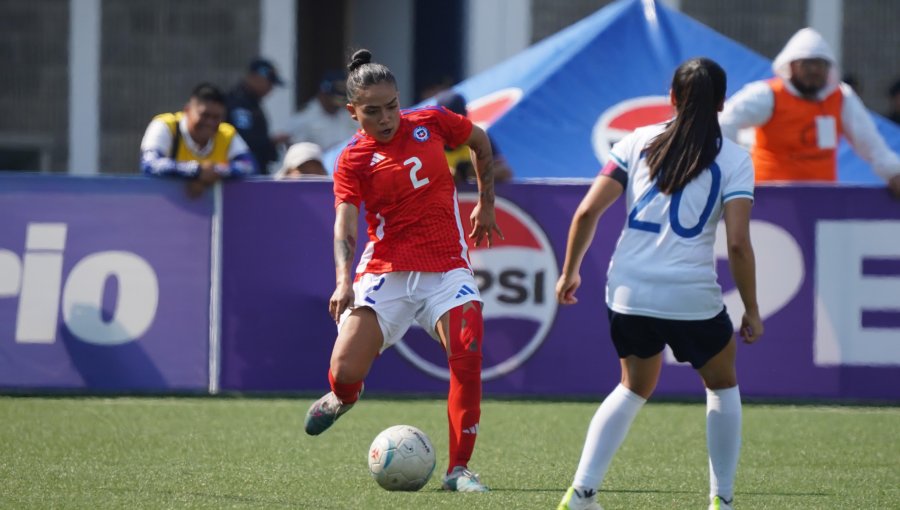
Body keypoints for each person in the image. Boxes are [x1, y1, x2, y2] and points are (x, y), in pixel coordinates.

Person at [554, 58, 763, 510]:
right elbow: (740, 244)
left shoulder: (634, 141)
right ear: (723, 102)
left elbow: (587, 212)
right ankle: (722, 502)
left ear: (671, 96)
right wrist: (752, 308)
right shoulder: (734, 158)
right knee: (722, 384)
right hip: (689, 293)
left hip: (628, 289)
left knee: (631, 386)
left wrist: (570, 270)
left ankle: (582, 493)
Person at [303, 49, 502, 494]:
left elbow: (481, 140)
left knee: (467, 355)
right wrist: (342, 280)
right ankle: (344, 397)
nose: (387, 117)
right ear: (352, 112)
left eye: (392, 105)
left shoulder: (431, 122)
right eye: (372, 111)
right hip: (386, 271)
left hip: (447, 266)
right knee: (345, 367)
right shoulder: (353, 159)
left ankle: (459, 470)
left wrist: (486, 203)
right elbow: (346, 223)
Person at [719, 28, 900, 197]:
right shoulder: (767, 94)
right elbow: (724, 122)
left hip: (821, 201)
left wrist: (894, 173)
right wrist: (731, 172)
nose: (814, 70)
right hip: (770, 201)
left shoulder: (842, 98)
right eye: (806, 64)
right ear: (791, 66)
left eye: (820, 64)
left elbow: (871, 144)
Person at [140, 82, 256, 197]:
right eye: (205, 115)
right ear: (187, 110)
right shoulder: (165, 126)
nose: (210, 123)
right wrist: (197, 171)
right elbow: (149, 163)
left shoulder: (226, 133)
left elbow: (250, 166)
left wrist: (212, 173)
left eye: (216, 117)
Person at [435, 90, 514, 185]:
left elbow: (505, 172)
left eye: (457, 120)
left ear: (466, 115)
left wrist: (472, 173)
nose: (453, 127)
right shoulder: (430, 141)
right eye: (448, 122)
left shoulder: (478, 137)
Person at [225, 57, 284, 175]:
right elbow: (244, 141)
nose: (271, 88)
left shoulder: (253, 103)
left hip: (255, 170)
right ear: (256, 77)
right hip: (241, 173)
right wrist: (271, 142)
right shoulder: (238, 103)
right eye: (270, 82)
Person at [275, 71, 359, 152]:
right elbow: (282, 140)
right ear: (323, 93)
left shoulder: (350, 115)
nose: (338, 103)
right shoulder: (304, 117)